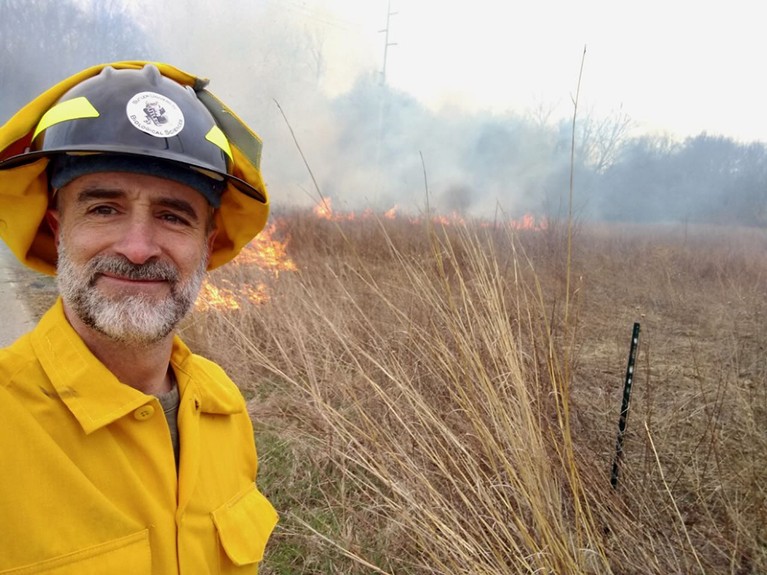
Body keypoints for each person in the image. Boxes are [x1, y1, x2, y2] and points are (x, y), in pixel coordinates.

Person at [0, 62, 278, 574]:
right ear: (58, 229)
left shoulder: (223, 408)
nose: (137, 248)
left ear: (206, 245)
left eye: (173, 216)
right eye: (104, 208)